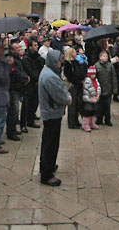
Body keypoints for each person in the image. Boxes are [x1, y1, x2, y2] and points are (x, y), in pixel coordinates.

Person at [38, 47, 71, 186]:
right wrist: (68, 98)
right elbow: (59, 95)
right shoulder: (50, 76)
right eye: (58, 61)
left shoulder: (49, 72)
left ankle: (47, 165)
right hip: (52, 113)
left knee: (49, 141)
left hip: (51, 112)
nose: (60, 63)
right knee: (51, 143)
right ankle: (47, 174)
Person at [21, 39, 44, 130]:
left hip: (37, 83)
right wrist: (37, 78)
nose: (36, 47)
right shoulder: (26, 58)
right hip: (29, 84)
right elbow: (30, 71)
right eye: (34, 45)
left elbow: (41, 67)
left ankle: (31, 118)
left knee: (35, 102)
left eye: (37, 45)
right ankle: (25, 122)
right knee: (27, 104)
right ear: (30, 47)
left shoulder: (38, 57)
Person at [93, 50, 116, 126]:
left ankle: (107, 119)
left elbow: (113, 77)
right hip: (100, 89)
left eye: (106, 56)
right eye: (104, 56)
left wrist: (114, 88)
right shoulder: (96, 66)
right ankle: (99, 119)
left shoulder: (110, 66)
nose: (105, 58)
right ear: (100, 57)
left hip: (108, 89)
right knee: (99, 106)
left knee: (107, 106)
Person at [62, 47, 83, 129]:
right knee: (72, 105)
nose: (76, 53)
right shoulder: (67, 64)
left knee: (77, 104)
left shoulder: (76, 62)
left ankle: (76, 121)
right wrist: (77, 81)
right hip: (72, 85)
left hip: (78, 84)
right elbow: (69, 76)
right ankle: (71, 122)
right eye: (74, 52)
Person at [81, 66, 100, 132]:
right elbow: (85, 93)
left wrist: (98, 95)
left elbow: (98, 88)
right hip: (89, 101)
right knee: (87, 113)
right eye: (92, 74)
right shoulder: (87, 82)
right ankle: (85, 124)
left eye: (94, 74)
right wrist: (90, 99)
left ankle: (91, 123)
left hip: (94, 99)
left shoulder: (96, 81)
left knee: (93, 112)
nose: (93, 76)